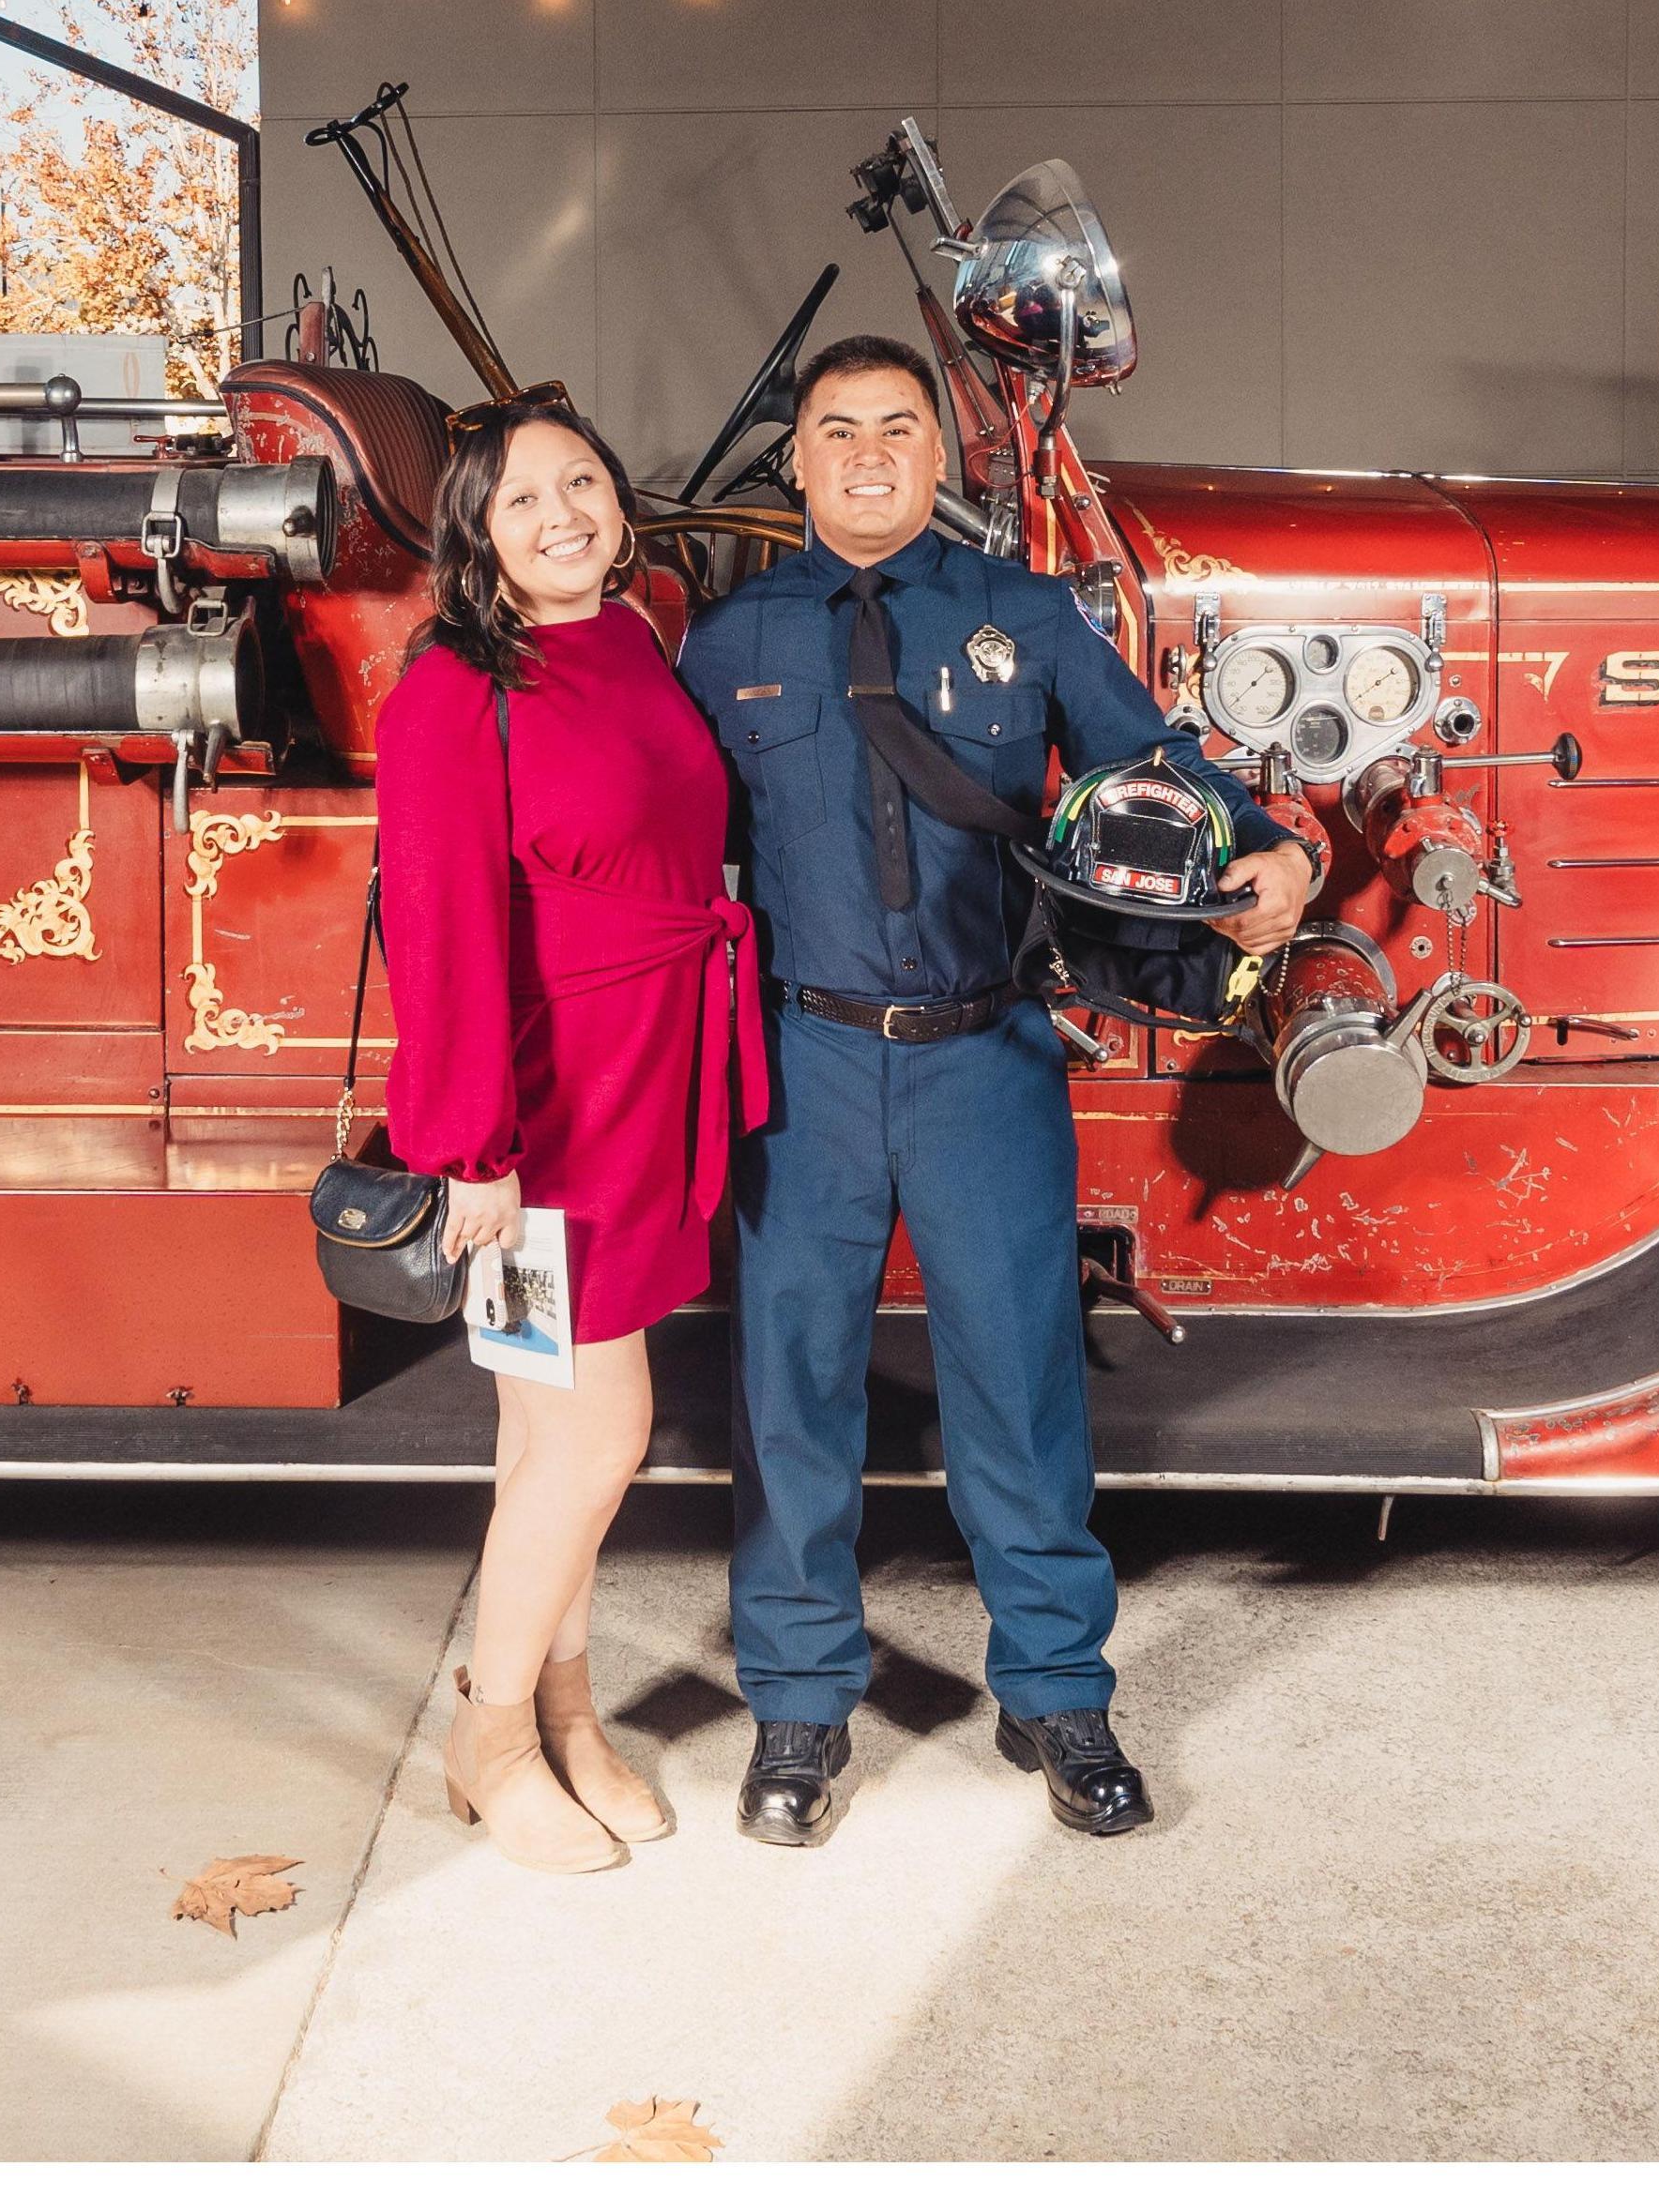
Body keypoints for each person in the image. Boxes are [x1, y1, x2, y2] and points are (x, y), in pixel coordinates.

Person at [680, 336, 1316, 1849]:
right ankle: (796, 1704)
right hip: (804, 1065)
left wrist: (1277, 845)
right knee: (790, 1394)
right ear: (797, 460)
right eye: (835, 431)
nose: (867, 454)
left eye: (897, 427)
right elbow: (650, 829)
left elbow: (1146, 763)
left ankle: (1054, 1689)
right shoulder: (722, 639)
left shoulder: (1019, 615)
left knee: (1021, 1387)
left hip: (984, 1055)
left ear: (941, 453)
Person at [375, 386, 769, 1876]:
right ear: (474, 533)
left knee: (543, 1440)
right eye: (522, 495)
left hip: (651, 1075)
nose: (561, 512)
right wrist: (473, 1147)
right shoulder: (456, 689)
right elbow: (443, 930)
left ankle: (566, 1712)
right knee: (592, 1436)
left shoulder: (637, 643)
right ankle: (486, 1741)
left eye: (581, 479)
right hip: (541, 1113)